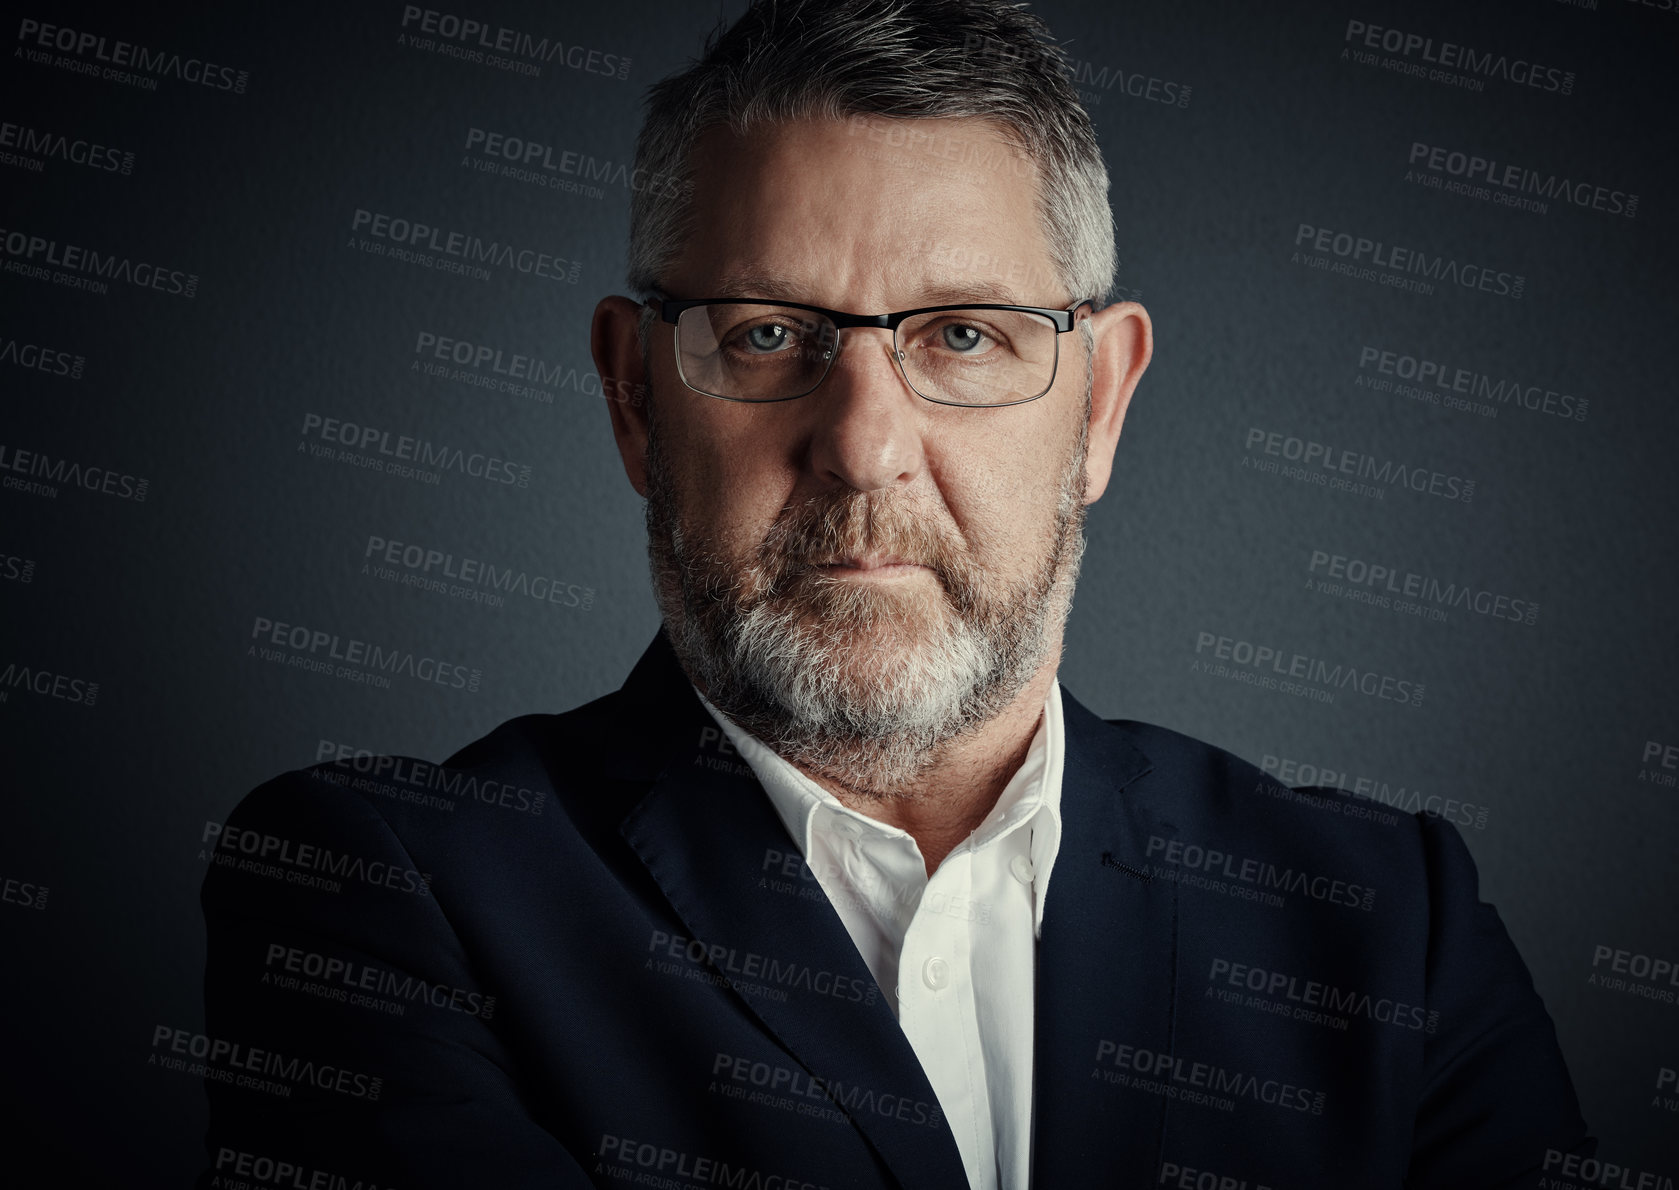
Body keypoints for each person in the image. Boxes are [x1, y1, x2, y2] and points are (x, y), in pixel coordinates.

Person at [198, 2, 1591, 1186]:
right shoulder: (386, 897)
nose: (863, 445)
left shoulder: (1387, 924)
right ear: (635, 397)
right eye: (765, 335)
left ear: (1100, 402)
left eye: (966, 335)